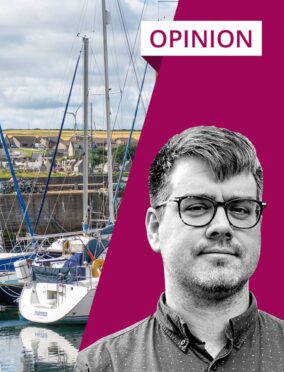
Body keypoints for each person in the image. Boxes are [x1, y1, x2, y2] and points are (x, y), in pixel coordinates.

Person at [75, 126, 283, 371]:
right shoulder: (102, 365)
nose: (222, 226)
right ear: (154, 229)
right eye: (196, 207)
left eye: (240, 209)